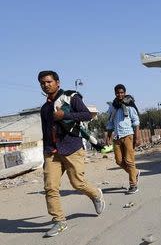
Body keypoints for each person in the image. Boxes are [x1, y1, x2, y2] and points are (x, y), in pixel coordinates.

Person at [38, 70, 106, 238]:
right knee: (50, 187)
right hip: (52, 152)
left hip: (72, 147)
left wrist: (65, 115)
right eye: (43, 83)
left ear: (57, 83)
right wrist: (46, 149)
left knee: (77, 183)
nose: (46, 85)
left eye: (49, 82)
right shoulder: (45, 108)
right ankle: (59, 221)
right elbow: (46, 131)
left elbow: (87, 115)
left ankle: (96, 195)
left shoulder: (71, 97)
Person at [106, 84, 141, 194]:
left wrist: (137, 136)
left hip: (128, 135)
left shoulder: (129, 104)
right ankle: (135, 173)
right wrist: (108, 136)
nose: (120, 94)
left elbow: (136, 122)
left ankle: (133, 185)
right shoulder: (112, 106)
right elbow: (110, 122)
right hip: (117, 136)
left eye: (122, 92)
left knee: (129, 161)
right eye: (117, 93)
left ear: (125, 93)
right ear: (115, 93)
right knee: (119, 161)